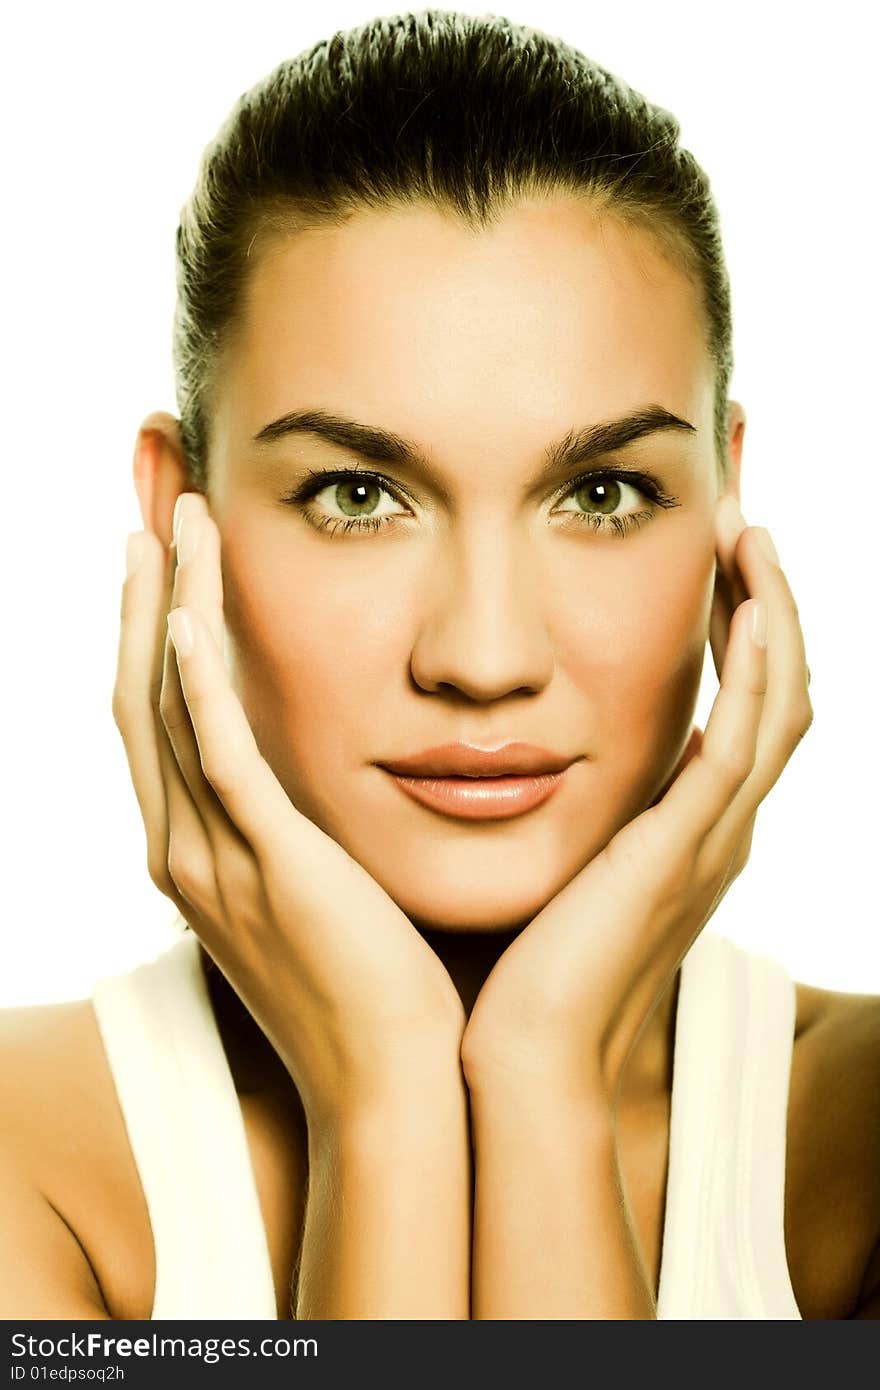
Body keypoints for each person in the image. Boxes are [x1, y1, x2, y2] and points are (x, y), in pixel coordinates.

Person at [1, 8, 878, 1322]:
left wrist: (542, 1077)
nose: (483, 657)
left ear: (725, 505)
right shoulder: (31, 1166)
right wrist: (387, 1091)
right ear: (180, 517)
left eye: (602, 490)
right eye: (357, 493)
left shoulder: (859, 1142)